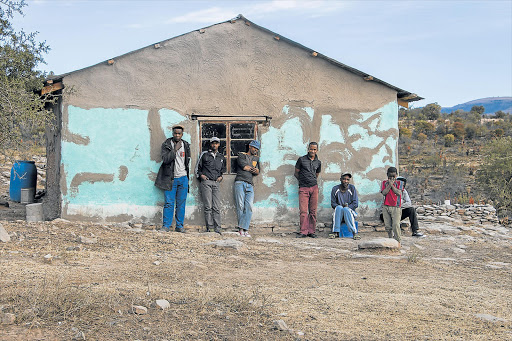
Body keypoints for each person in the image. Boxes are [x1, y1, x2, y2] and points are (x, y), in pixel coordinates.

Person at [155, 125, 191, 233]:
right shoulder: (166, 144)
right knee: (169, 203)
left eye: (179, 133)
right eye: (175, 133)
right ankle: (166, 226)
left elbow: (187, 161)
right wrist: (175, 150)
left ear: (182, 134)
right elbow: (165, 159)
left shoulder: (186, 145)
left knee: (181, 203)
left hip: (183, 178)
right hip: (170, 179)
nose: (177, 135)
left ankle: (179, 226)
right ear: (172, 133)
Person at [196, 137, 226, 234]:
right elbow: (198, 168)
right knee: (208, 206)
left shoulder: (221, 157)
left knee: (216, 207)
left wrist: (221, 177)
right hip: (207, 182)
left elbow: (223, 169)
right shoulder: (205, 155)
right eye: (213, 143)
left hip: (216, 183)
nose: (214, 145)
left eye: (216, 143)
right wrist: (201, 176)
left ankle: (218, 227)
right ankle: (210, 227)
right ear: (210, 144)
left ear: (219, 145)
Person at [234, 140, 261, 237]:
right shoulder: (242, 155)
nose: (256, 150)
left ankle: (245, 229)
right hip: (240, 182)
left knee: (249, 206)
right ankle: (241, 230)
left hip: (250, 184)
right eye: (255, 148)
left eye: (257, 149)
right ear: (250, 146)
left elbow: (258, 171)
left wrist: (254, 170)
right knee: (240, 205)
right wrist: (252, 169)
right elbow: (244, 167)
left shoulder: (256, 158)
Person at [294, 142, 321, 238]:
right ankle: (303, 231)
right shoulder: (301, 160)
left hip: (314, 188)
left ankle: (311, 231)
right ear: (308, 149)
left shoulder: (318, 162)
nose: (312, 151)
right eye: (311, 149)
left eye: (314, 149)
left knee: (313, 211)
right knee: (303, 211)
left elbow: (316, 174)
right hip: (303, 188)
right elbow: (296, 173)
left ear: (317, 150)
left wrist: (311, 181)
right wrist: (303, 182)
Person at [330, 172, 360, 239]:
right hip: (338, 213)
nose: (346, 181)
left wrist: (347, 206)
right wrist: (340, 206)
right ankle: (335, 232)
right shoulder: (335, 189)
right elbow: (333, 203)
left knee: (346, 209)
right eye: (344, 179)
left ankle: (354, 233)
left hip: (350, 213)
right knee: (339, 208)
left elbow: (355, 204)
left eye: (347, 179)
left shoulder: (352, 188)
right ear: (340, 179)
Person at [381, 167, 404, 245]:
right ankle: (390, 239)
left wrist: (392, 185)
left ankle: (398, 240)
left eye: (393, 176)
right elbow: (384, 192)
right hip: (386, 205)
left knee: (396, 225)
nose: (391, 178)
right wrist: (389, 185)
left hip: (396, 206)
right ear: (387, 175)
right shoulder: (384, 183)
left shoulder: (400, 183)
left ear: (396, 175)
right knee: (388, 225)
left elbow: (398, 193)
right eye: (390, 176)